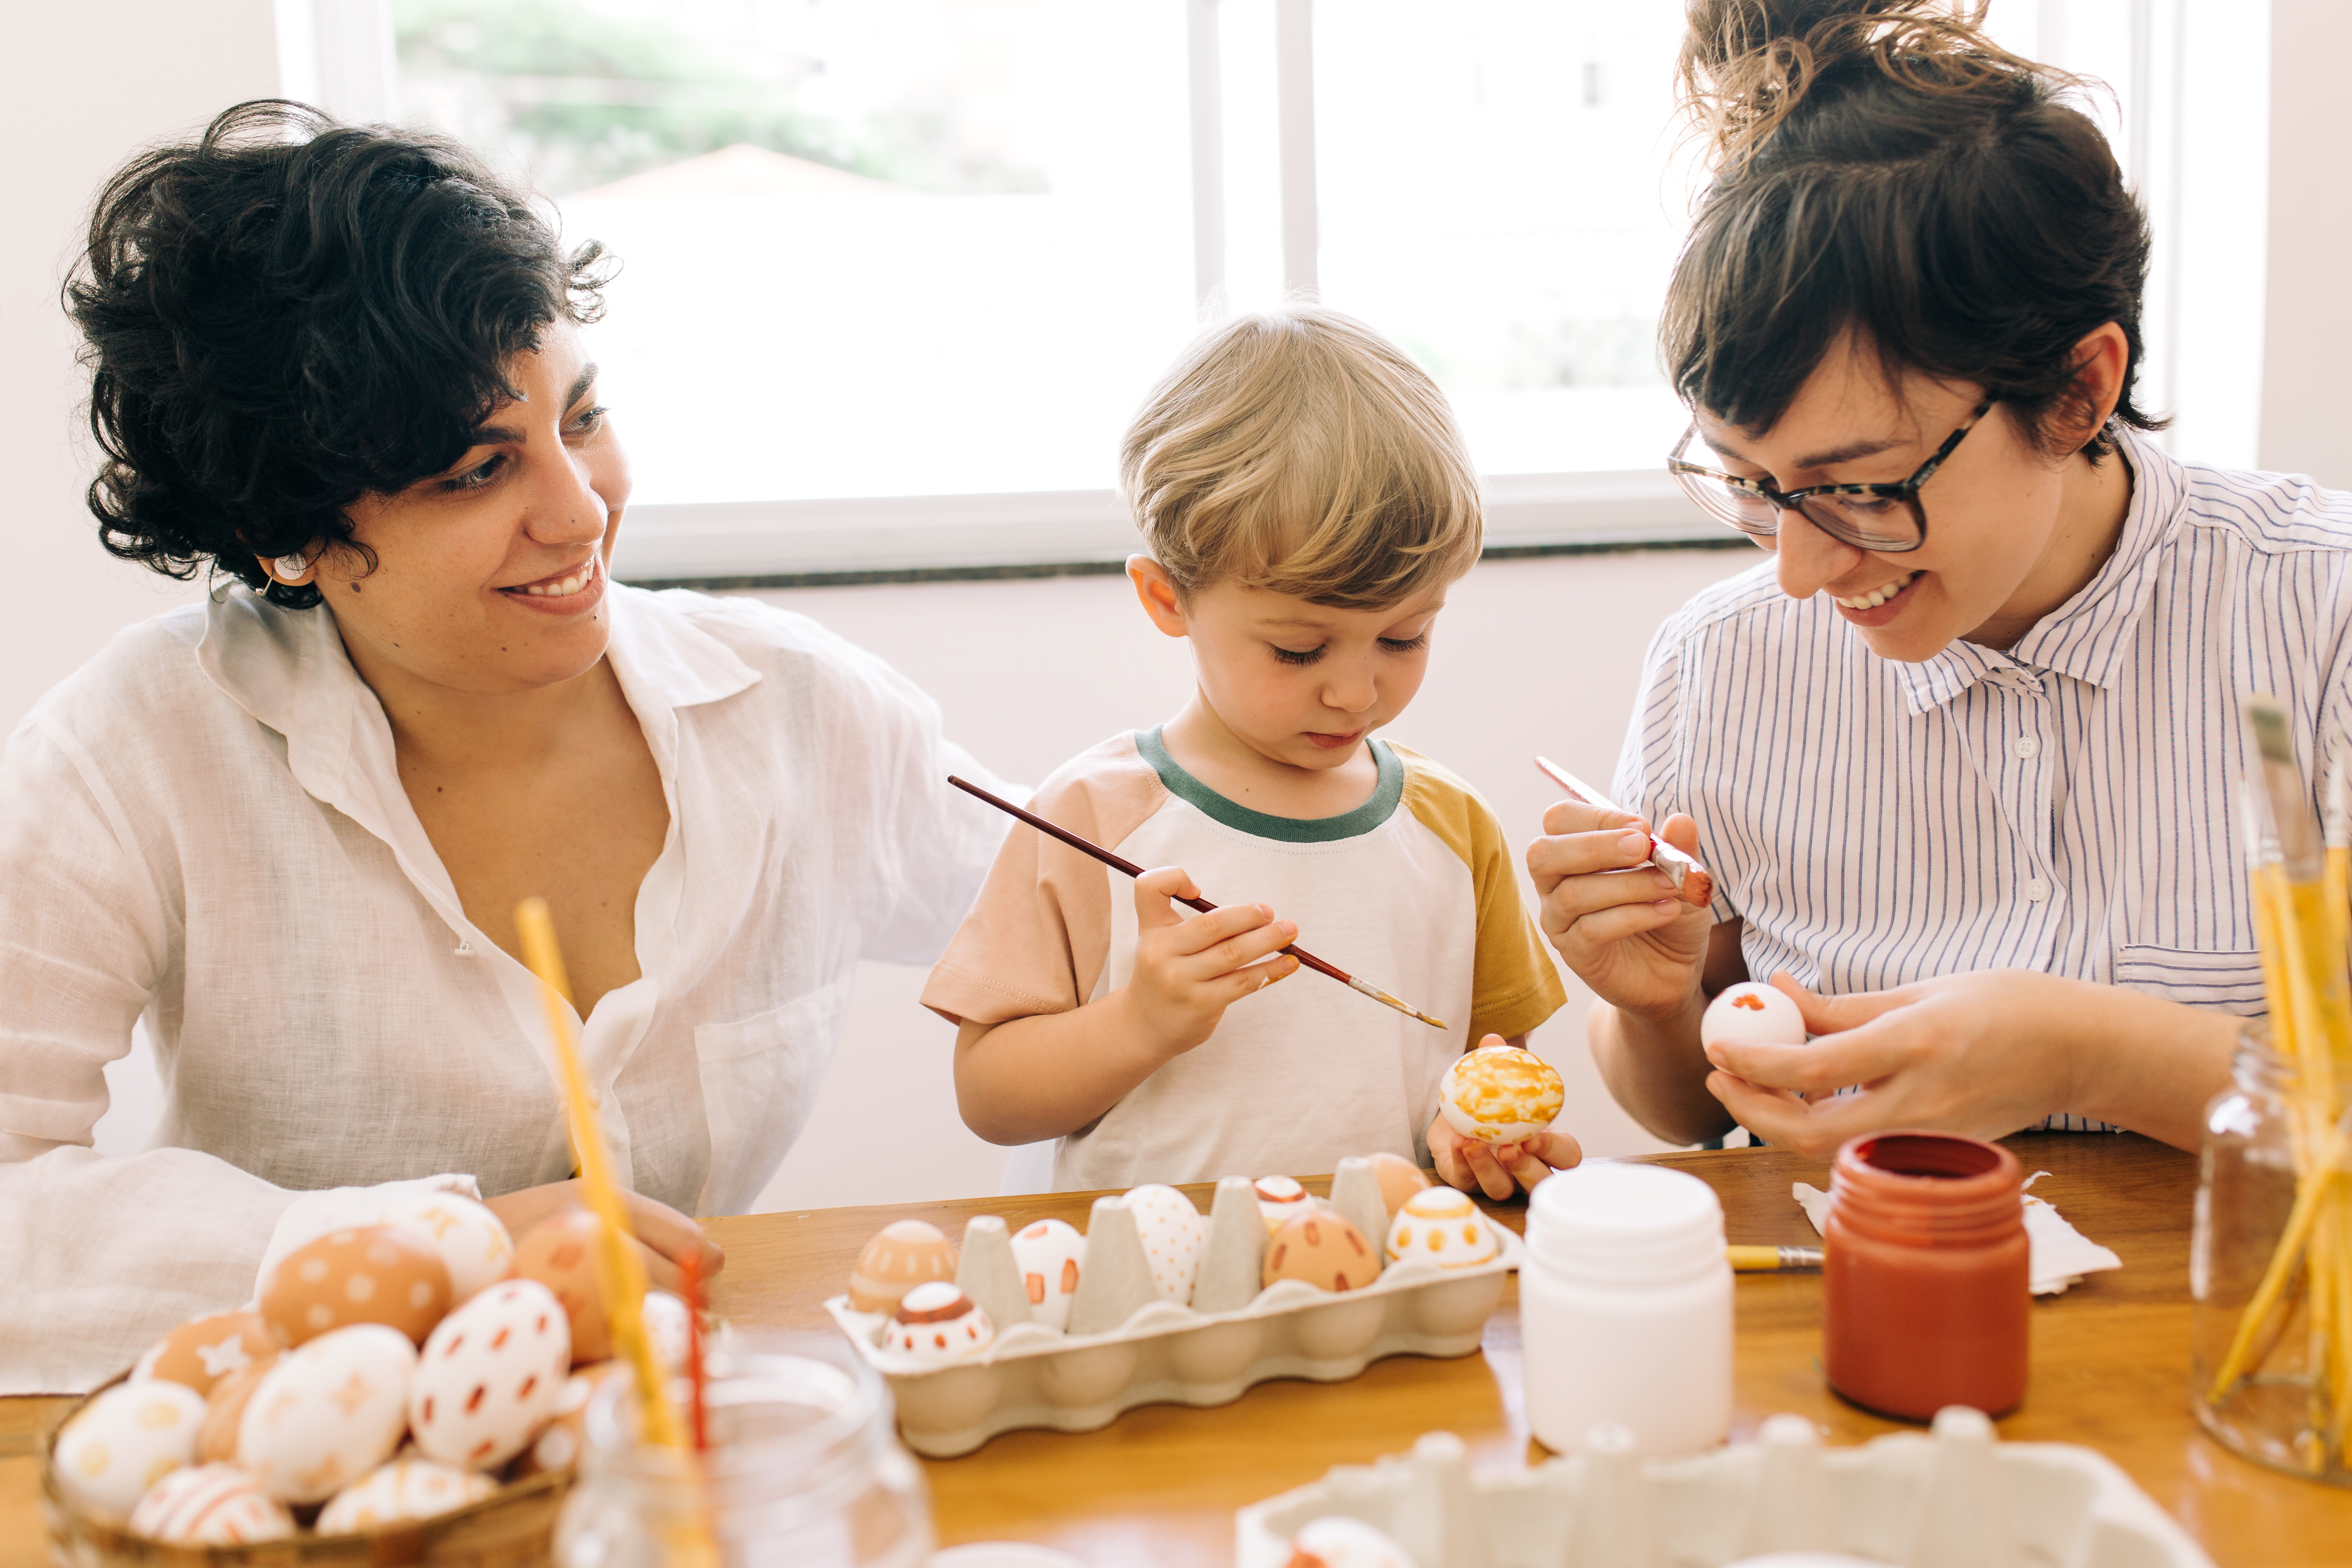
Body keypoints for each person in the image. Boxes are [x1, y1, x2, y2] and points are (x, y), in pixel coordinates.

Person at [0, 102, 1009, 1393]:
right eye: (480, 469)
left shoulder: (794, 706)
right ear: (287, 534)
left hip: (682, 1450)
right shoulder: (127, 754)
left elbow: (1093, 901)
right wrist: (434, 1246)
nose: (581, 510)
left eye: (579, 420)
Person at [1530, 0, 2352, 1160]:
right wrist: (1655, 1005)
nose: (1805, 571)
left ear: (2079, 390)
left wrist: (2086, 1054)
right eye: (1752, 485)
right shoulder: (1720, 659)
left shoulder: (2324, 618)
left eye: (1864, 488)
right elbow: (1692, 1113)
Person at [924, 308, 1572, 1195]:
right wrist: (1141, 1022)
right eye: (1299, 651)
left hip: (1392, 1281)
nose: (1355, 692)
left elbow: (1487, 1070)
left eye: (1405, 638)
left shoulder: (1450, 824)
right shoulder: (1092, 815)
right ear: (1166, 598)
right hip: (1163, 1298)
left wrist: (1481, 1139)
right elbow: (989, 1101)